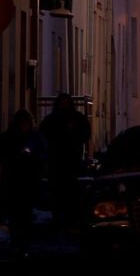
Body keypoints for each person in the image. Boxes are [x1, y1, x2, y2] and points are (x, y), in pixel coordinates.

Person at [0, 109, 46, 255]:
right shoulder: (10, 137)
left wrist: (33, 158)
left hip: (29, 178)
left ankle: (23, 237)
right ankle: (17, 236)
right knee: (15, 208)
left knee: (25, 209)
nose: (25, 126)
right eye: (23, 124)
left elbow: (43, 153)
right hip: (14, 178)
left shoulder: (34, 136)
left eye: (27, 123)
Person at [40, 92, 90, 225]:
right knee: (58, 188)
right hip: (57, 159)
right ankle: (60, 215)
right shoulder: (52, 119)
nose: (64, 105)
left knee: (69, 188)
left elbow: (86, 133)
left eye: (66, 102)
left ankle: (68, 215)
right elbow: (44, 133)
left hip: (70, 159)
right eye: (62, 103)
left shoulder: (76, 118)